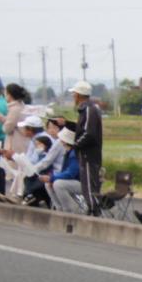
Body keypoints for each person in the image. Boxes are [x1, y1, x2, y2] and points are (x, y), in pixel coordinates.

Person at [52, 81, 103, 215]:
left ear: (79, 95)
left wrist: (75, 146)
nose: (73, 96)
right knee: (88, 186)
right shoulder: (88, 109)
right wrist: (66, 123)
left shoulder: (88, 109)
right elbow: (82, 130)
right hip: (87, 155)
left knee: (89, 186)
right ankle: (92, 210)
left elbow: (89, 134)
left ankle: (93, 212)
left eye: (74, 94)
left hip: (88, 156)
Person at [45, 129, 81, 212]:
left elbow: (71, 174)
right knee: (48, 184)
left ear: (64, 141)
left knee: (58, 184)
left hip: (81, 183)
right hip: (74, 181)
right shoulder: (69, 152)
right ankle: (59, 208)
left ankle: (70, 209)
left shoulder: (74, 154)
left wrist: (53, 178)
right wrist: (53, 178)